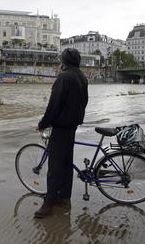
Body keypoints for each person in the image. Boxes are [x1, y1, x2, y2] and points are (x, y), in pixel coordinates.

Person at [34, 48, 88, 218]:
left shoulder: (64, 77)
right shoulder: (81, 77)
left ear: (64, 61)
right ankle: (64, 197)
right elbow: (84, 101)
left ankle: (49, 202)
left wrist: (43, 123)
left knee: (54, 167)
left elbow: (54, 105)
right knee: (66, 164)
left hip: (61, 127)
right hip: (72, 126)